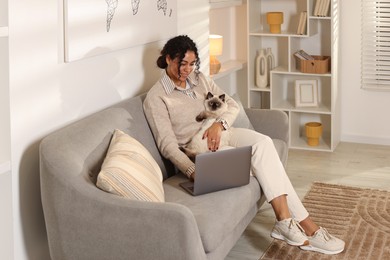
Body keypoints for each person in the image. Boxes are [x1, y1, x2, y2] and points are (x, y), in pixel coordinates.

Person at [143, 35, 345, 255]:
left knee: (264, 144)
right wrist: (192, 170)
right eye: (182, 64)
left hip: (222, 133)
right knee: (260, 164)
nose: (187, 70)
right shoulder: (157, 98)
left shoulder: (199, 78)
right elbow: (167, 145)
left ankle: (287, 224)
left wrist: (219, 125)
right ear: (168, 58)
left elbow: (230, 105)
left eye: (192, 64)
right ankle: (307, 227)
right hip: (200, 151)